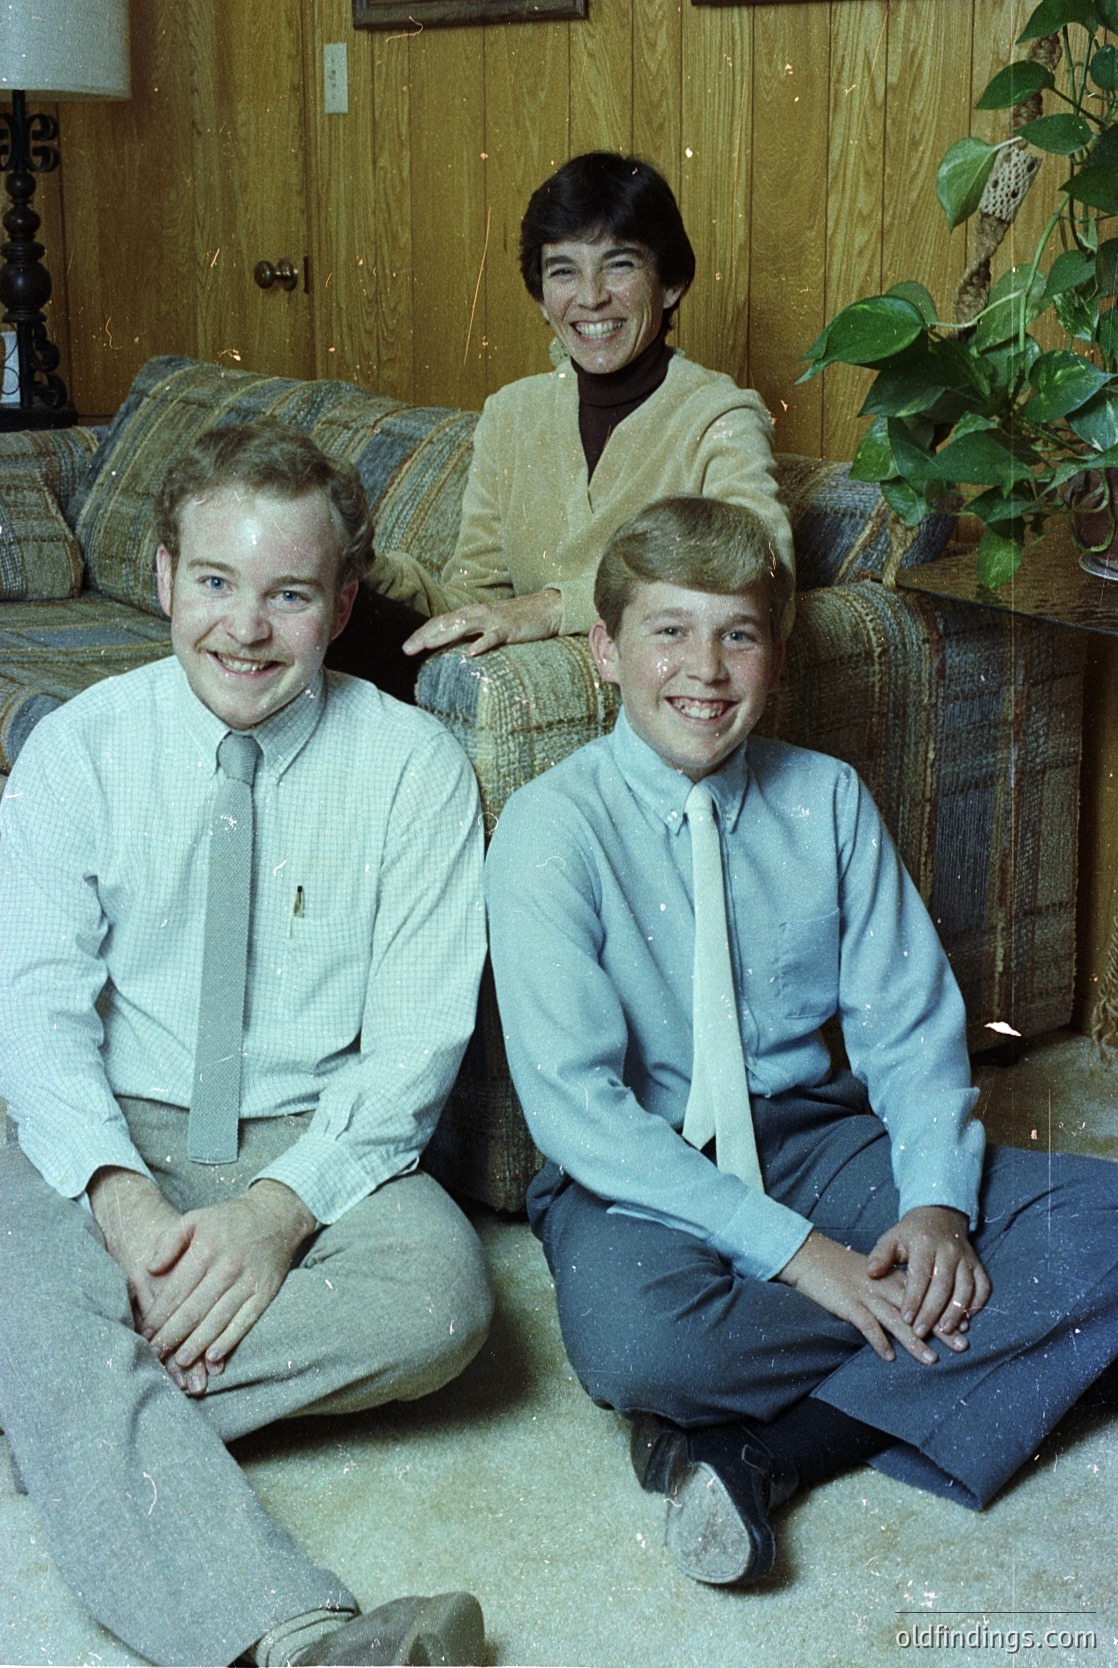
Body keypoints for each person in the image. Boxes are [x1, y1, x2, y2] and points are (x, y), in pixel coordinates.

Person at [484, 495, 1118, 1587]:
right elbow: (578, 1109)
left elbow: (909, 1026)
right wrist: (807, 1263)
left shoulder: (823, 799)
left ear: (775, 659)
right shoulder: (552, 827)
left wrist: (930, 1206)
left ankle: (764, 1451)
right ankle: (890, 1362)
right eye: (667, 632)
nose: (705, 670)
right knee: (643, 1347)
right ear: (603, 650)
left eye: (737, 634)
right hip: (634, 1166)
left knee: (1104, 1228)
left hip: (814, 1138)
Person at [0, 421, 494, 1667]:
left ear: (340, 605)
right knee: (32, 1267)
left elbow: (413, 1046)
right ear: (164, 577)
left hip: (302, 1140)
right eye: (214, 583)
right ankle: (302, 1641)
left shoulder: (414, 769)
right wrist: (116, 1199)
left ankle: (56, 1413)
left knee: (443, 1296)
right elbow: (37, 1006)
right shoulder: (78, 746)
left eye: (286, 594)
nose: (243, 628)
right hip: (93, 1130)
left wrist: (277, 1216)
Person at [336, 151, 792, 677]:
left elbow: (762, 574)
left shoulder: (719, 415)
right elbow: (477, 597)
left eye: (619, 265)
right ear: (541, 296)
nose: (591, 297)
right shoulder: (511, 412)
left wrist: (552, 609)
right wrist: (364, 569)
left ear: (671, 284)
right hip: (511, 687)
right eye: (563, 271)